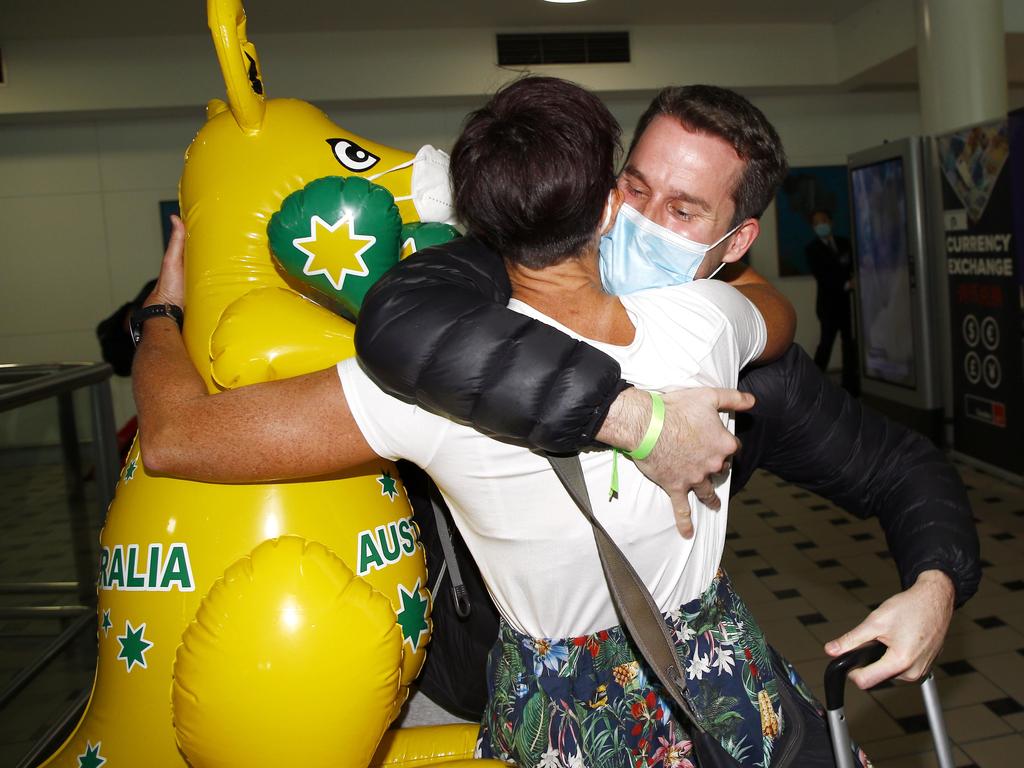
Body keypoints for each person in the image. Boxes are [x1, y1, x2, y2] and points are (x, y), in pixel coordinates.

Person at [136, 77, 848, 766]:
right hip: (720, 689)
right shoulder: (704, 323)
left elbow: (174, 439)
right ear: (607, 209)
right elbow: (772, 315)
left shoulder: (417, 387)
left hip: (563, 720)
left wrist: (163, 314)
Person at [354, 83, 978, 712]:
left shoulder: (739, 357)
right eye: (635, 188)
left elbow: (900, 467)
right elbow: (405, 320)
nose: (643, 223)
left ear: (733, 245)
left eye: (683, 211)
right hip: (464, 673)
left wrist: (935, 584)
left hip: (659, 703)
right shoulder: (509, 272)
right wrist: (632, 417)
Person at [806, 209, 858, 394]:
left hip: (849, 304)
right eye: (817, 223)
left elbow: (854, 266)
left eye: (824, 220)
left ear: (830, 222)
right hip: (828, 306)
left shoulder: (844, 243)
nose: (821, 225)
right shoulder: (812, 249)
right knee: (826, 344)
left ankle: (851, 386)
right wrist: (846, 283)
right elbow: (823, 276)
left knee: (849, 344)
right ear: (813, 227)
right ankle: (813, 386)